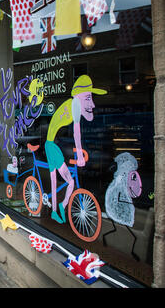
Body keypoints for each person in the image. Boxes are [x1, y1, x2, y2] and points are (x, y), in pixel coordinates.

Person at [45, 75, 106, 224]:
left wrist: (79, 153)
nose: (92, 104)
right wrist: (79, 155)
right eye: (88, 98)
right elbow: (76, 132)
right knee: (70, 182)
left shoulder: (71, 104)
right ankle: (62, 205)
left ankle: (54, 211)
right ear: (78, 96)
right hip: (52, 146)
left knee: (54, 181)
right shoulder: (74, 105)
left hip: (51, 144)